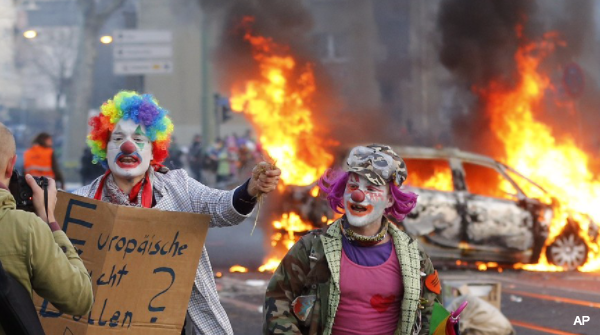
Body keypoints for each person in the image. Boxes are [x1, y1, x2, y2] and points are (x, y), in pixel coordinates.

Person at [74, 91, 281, 335]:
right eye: (117, 138)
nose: (128, 146)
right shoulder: (81, 202)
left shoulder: (178, 186)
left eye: (139, 139)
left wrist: (250, 189)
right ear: (104, 147)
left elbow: (221, 207)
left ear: (153, 151)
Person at [263, 144, 441, 335]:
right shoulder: (312, 249)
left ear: (390, 199)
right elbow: (277, 302)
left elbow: (433, 319)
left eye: (371, 188)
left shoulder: (416, 259)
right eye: (353, 185)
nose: (358, 195)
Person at [0, 123, 93, 335]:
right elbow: (80, 299)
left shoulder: (32, 152)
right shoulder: (26, 229)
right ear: (11, 165)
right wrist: (49, 219)